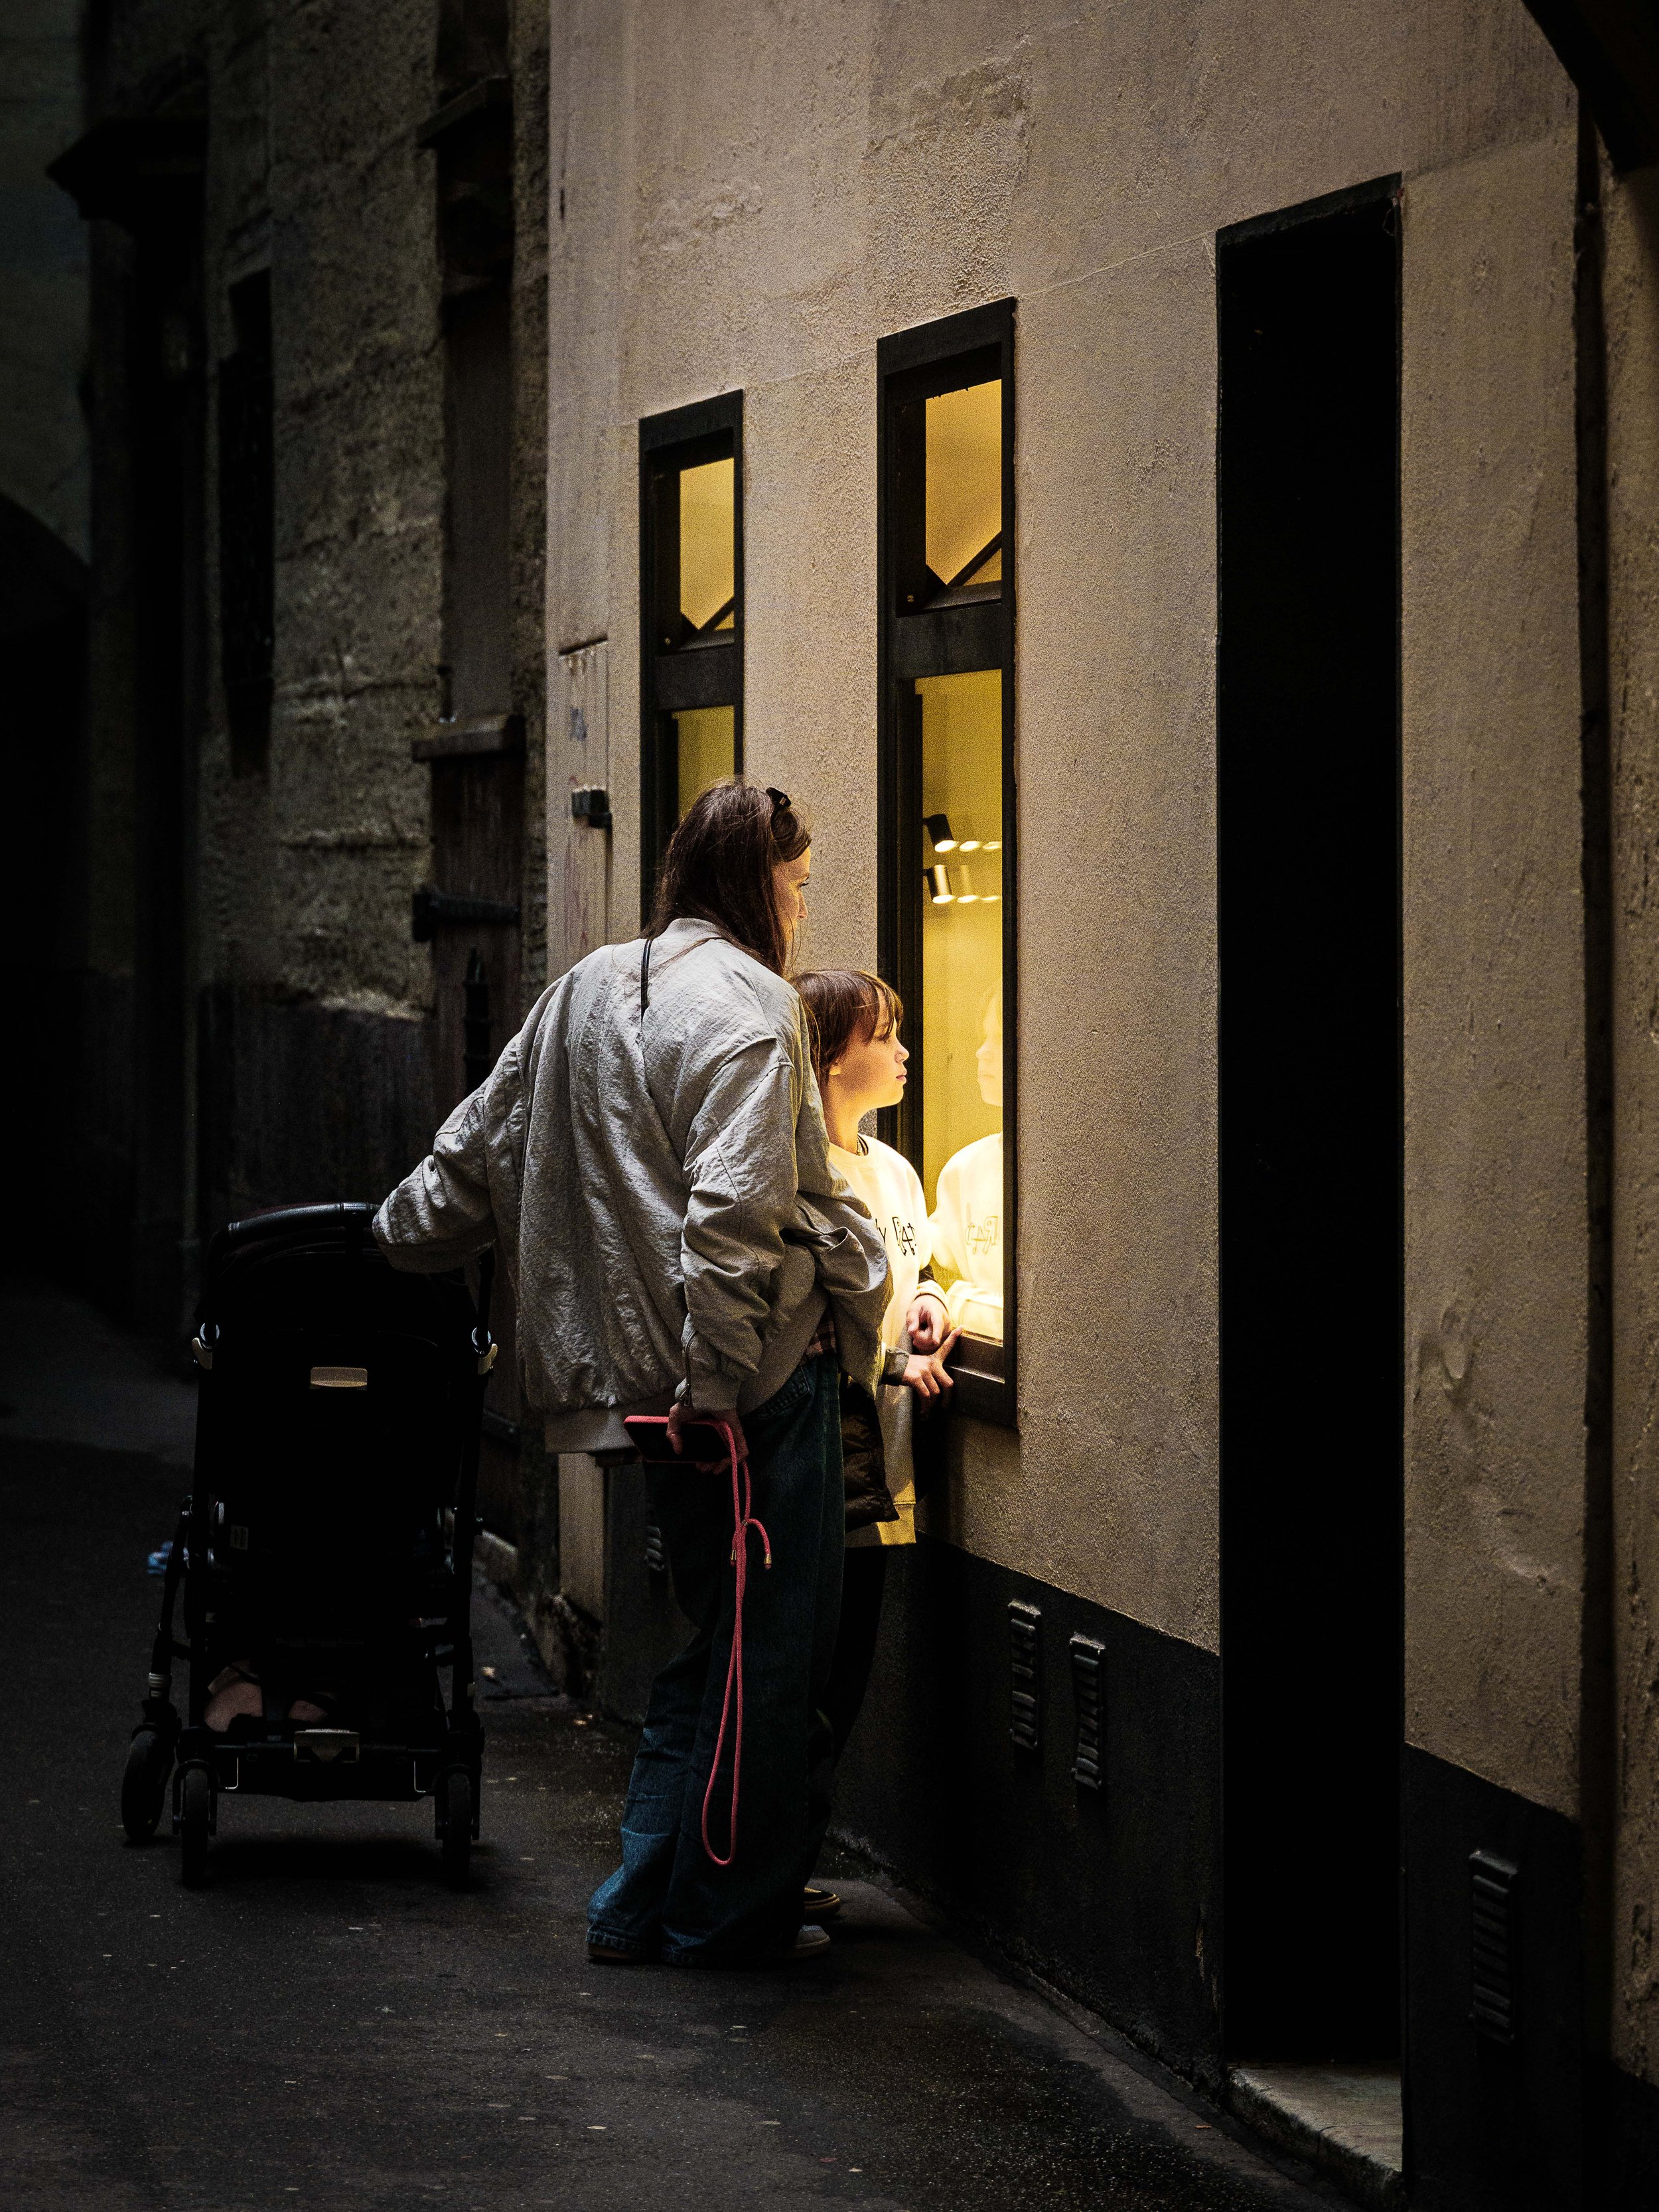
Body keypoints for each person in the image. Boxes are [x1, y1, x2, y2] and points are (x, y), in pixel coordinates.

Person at [372, 780, 891, 1966]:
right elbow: (734, 1219)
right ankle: (721, 1920)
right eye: (798, 887)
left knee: (715, 1645)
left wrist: (387, 1236)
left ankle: (639, 1898)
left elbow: (478, 1147)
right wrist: (716, 1390)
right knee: (774, 1659)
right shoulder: (754, 1007)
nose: (801, 913)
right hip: (752, 1392)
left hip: (644, 1385)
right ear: (756, 881)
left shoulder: (585, 987)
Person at [794, 970, 958, 1787]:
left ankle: (787, 1852)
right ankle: (770, 1860)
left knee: (840, 1692)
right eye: (883, 1036)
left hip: (884, 1474)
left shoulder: (893, 1170)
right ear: (828, 1057)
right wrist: (897, 1361)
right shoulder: (796, 1172)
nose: (903, 1052)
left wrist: (929, 1301)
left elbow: (915, 1270)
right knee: (808, 1694)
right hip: (823, 1474)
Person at [929, 984, 1004, 1343]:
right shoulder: (964, 1168)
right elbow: (932, 1283)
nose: (981, 1052)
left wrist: (959, 1301)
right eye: (983, 1037)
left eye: (998, 1039)